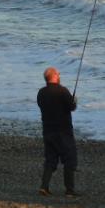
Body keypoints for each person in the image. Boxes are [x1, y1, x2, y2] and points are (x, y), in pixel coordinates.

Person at [37, 67, 78, 197]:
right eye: (59, 74)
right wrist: (74, 100)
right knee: (69, 159)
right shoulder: (62, 91)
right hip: (63, 131)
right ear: (54, 76)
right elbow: (72, 107)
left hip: (48, 130)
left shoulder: (41, 93)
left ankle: (44, 187)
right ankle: (69, 190)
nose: (60, 76)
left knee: (50, 159)